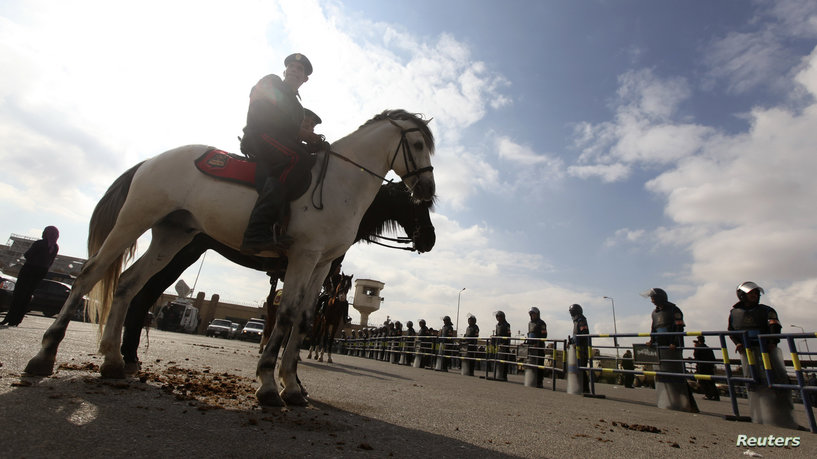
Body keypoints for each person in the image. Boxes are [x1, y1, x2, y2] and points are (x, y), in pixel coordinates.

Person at [239, 53, 324, 255]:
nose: (295, 70)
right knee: (297, 158)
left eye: (300, 69)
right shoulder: (271, 82)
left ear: (305, 79)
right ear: (285, 71)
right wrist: (299, 132)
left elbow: (291, 139)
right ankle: (256, 231)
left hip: (277, 143)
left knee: (309, 160)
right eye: (292, 67)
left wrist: (312, 144)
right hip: (259, 136)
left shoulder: (299, 108)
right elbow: (262, 112)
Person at [728, 281, 797, 428]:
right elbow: (731, 330)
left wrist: (772, 341)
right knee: (752, 381)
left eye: (756, 294)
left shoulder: (767, 310)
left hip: (767, 349)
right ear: (742, 295)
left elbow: (774, 326)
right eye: (751, 294)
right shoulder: (734, 313)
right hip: (748, 351)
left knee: (777, 379)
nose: (754, 296)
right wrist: (738, 343)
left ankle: (786, 417)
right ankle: (758, 415)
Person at [645, 288, 698, 413]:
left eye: (653, 298)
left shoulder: (674, 310)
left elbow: (679, 327)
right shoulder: (655, 312)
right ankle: (669, 401)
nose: (652, 301)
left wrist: (674, 342)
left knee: (677, 375)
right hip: (660, 346)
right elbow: (654, 328)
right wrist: (652, 340)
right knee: (664, 375)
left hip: (672, 346)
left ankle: (688, 404)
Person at [1, 226, 59, 327]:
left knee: (18, 295)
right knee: (27, 296)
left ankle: (9, 318)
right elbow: (51, 261)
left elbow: (27, 255)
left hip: (29, 269)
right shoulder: (55, 247)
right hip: (41, 271)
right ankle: (17, 320)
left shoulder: (39, 243)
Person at [569, 304, 591, 393]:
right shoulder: (576, 321)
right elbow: (576, 335)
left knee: (581, 369)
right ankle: (580, 388)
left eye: (572, 312)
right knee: (577, 369)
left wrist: (577, 343)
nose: (571, 314)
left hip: (582, 348)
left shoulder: (581, 320)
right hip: (577, 347)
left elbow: (584, 333)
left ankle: (585, 389)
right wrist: (571, 341)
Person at [693, 336, 720, 400]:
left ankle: (708, 395)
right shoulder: (708, 348)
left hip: (701, 367)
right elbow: (713, 359)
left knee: (702, 381)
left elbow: (696, 357)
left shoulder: (698, 348)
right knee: (711, 381)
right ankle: (715, 395)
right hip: (709, 367)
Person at [527, 307, 547, 388]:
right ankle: (531, 380)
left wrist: (538, 343)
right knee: (530, 363)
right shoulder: (530, 323)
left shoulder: (541, 323)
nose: (532, 315)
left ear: (537, 314)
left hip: (539, 346)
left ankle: (539, 382)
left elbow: (544, 335)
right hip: (531, 346)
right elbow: (529, 334)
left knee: (539, 365)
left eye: (534, 314)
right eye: (531, 314)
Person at [493, 310, 511, 381]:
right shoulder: (497, 325)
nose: (498, 318)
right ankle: (497, 374)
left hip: (504, 345)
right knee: (497, 360)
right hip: (498, 344)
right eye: (497, 317)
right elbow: (497, 334)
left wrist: (505, 343)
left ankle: (504, 376)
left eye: (499, 316)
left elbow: (508, 335)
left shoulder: (507, 325)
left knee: (504, 361)